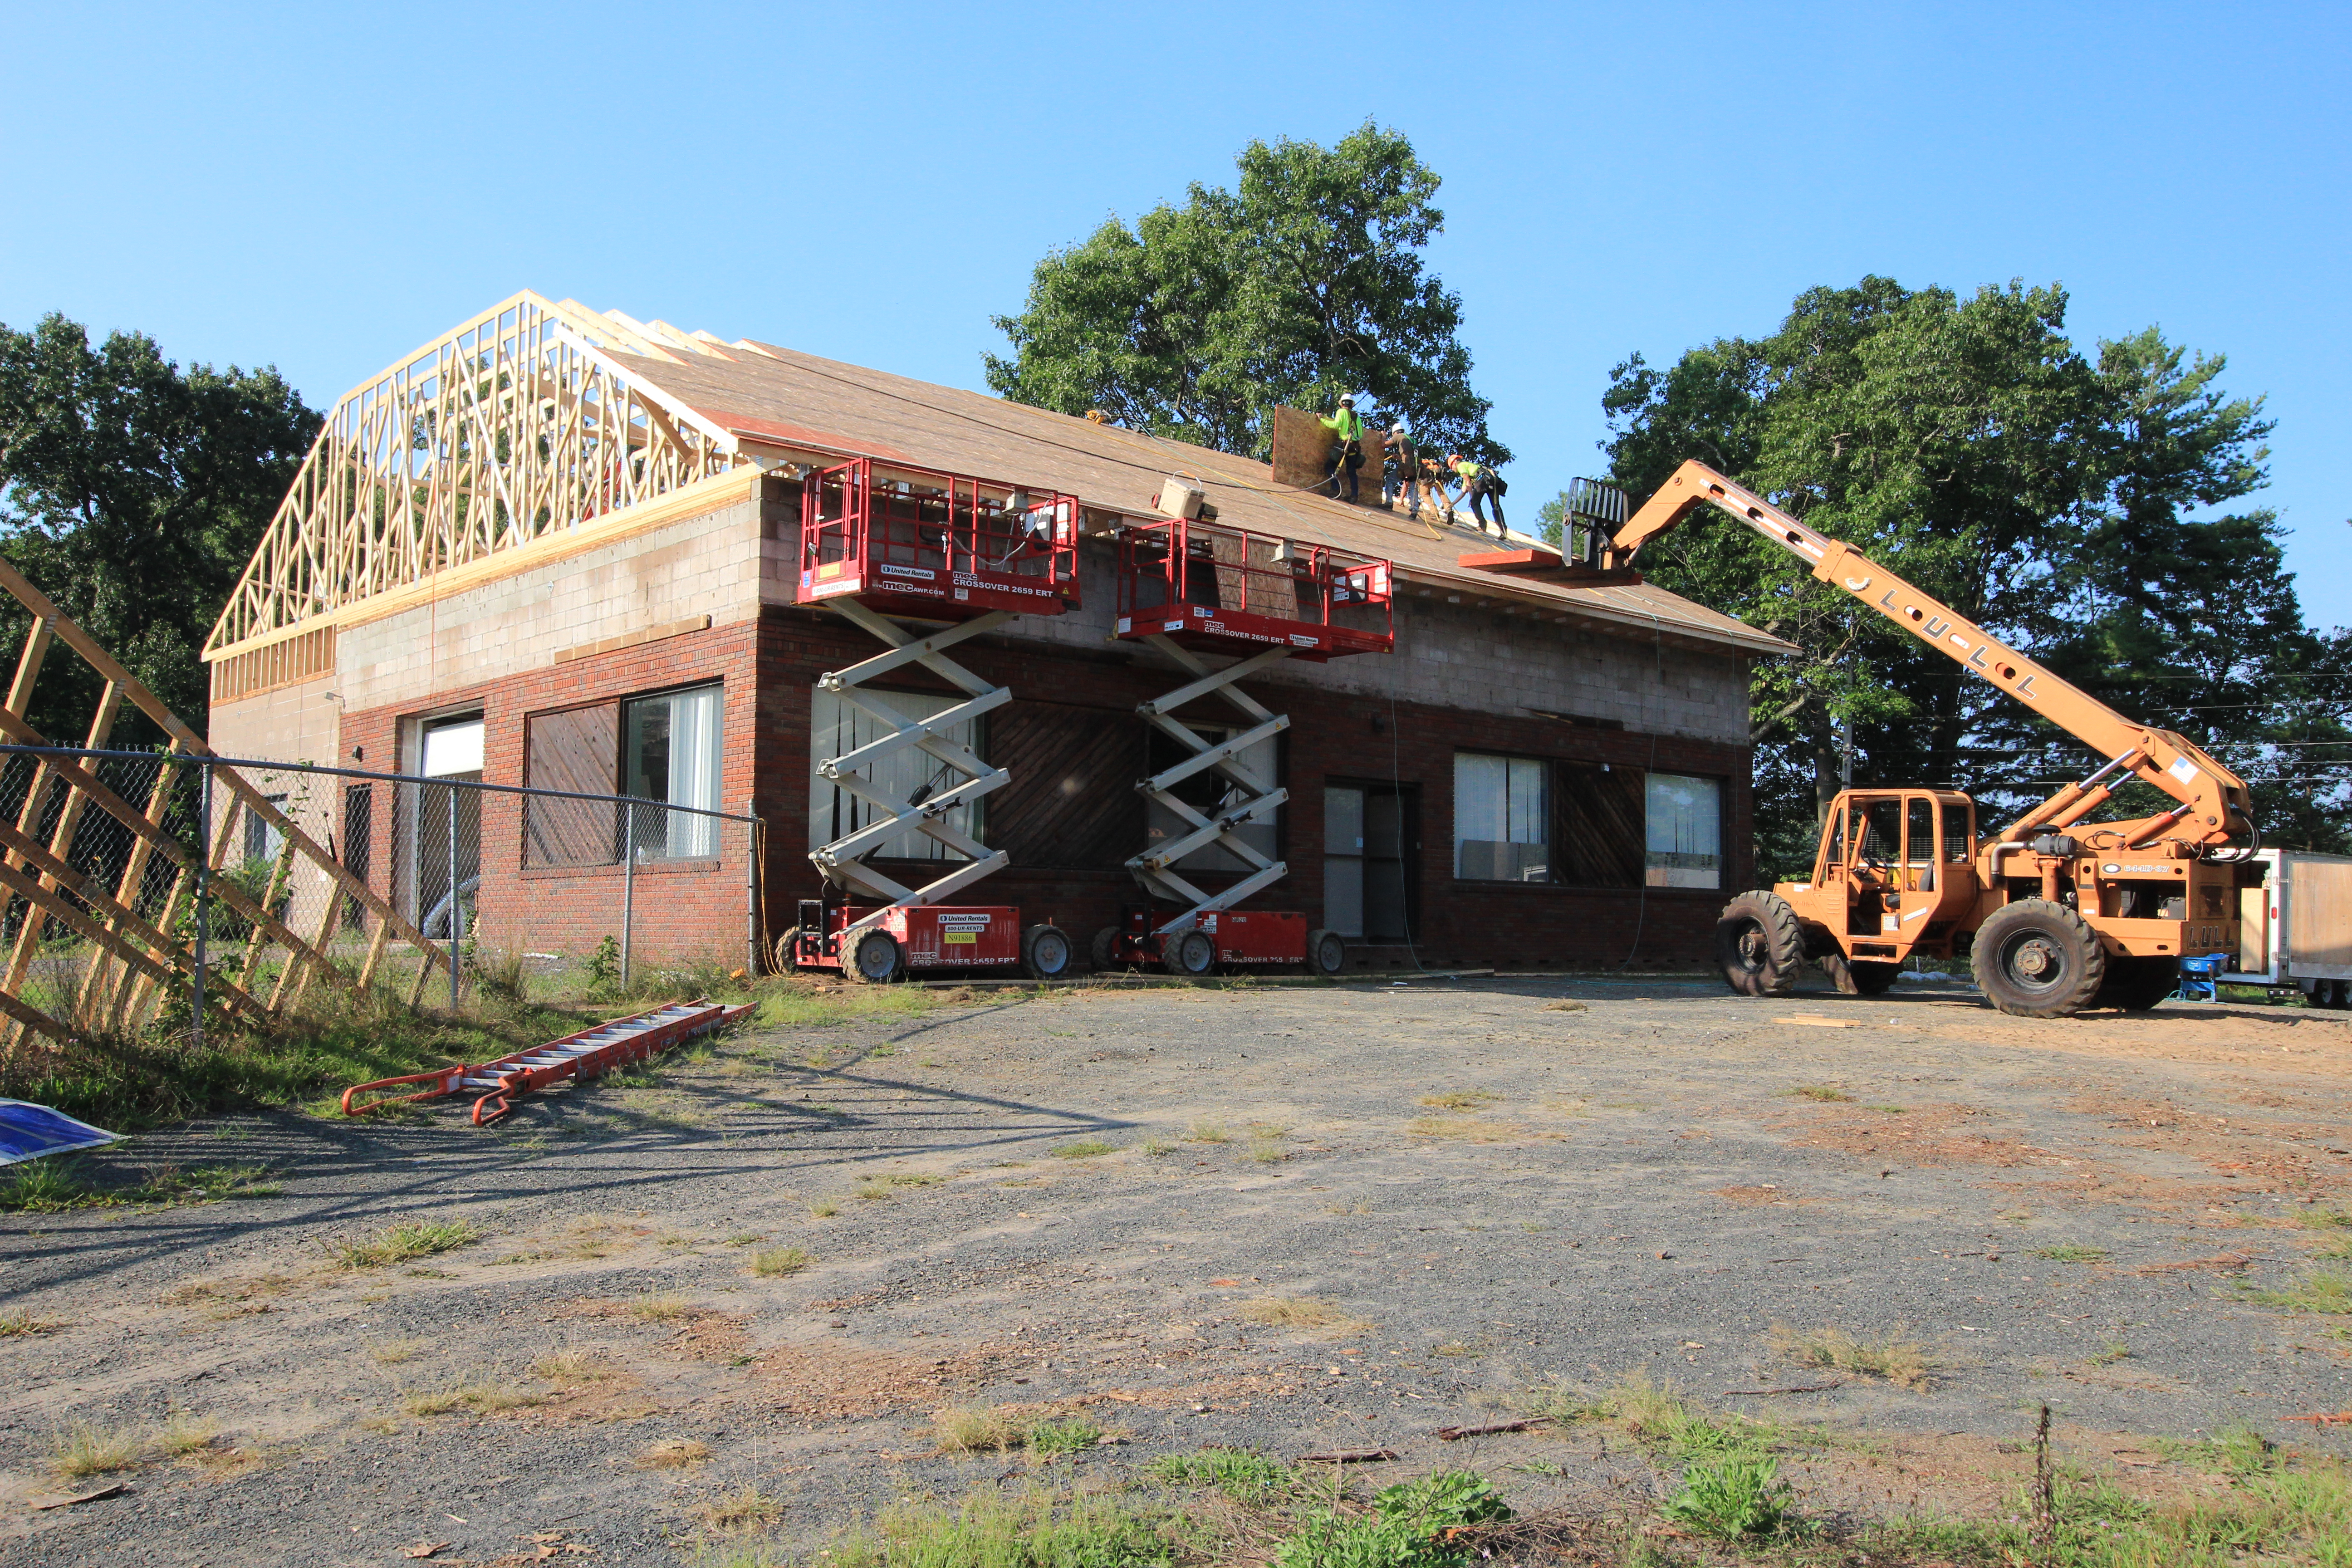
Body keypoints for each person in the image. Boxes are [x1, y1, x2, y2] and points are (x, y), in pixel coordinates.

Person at [1320, 393, 1366, 503]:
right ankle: (1354, 496)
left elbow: (1336, 425)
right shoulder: (1357, 416)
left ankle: (1335, 489)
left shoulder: (1341, 412)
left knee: (1330, 466)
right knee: (1351, 472)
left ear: (1342, 404)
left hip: (1344, 445)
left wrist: (1322, 419)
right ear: (1351, 405)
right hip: (1354, 447)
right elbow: (1361, 435)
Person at [1448, 453, 1507, 535]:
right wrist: (1452, 504)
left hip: (1482, 481)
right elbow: (1463, 492)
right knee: (1496, 506)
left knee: (1475, 503)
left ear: (1455, 463)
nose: (1452, 470)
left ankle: (1482, 525)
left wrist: (1472, 497)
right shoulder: (1469, 467)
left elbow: (1468, 481)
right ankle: (1503, 531)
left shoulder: (1461, 466)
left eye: (1451, 467)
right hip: (1492, 481)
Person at [1383, 423, 1419, 518]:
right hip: (1415, 466)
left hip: (1406, 466)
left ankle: (1389, 503)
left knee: (1390, 480)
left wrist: (1383, 436)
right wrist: (1399, 457)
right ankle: (1414, 510)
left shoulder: (1398, 436)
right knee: (1413, 486)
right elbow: (1410, 455)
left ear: (1395, 432)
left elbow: (1384, 445)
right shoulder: (1412, 439)